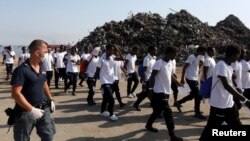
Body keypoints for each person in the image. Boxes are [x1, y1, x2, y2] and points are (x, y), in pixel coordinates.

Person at [199, 44, 250, 141]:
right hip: (219, 105)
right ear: (233, 54)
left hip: (229, 104)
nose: (239, 57)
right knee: (210, 129)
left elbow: (230, 82)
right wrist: (245, 100)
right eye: (238, 54)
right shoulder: (221, 65)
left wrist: (237, 86)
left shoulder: (228, 66)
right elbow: (226, 86)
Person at [11, 39, 56, 141]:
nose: (46, 54)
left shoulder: (41, 68)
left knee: (49, 136)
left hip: (43, 110)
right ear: (36, 53)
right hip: (26, 112)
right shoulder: (21, 70)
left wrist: (50, 99)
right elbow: (15, 93)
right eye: (44, 52)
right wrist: (31, 109)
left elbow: (44, 83)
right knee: (22, 138)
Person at [145, 46, 183, 141]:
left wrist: (177, 82)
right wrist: (150, 90)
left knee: (157, 111)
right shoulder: (159, 63)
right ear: (169, 53)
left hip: (166, 91)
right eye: (175, 54)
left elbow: (169, 74)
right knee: (168, 112)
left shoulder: (170, 63)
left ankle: (148, 125)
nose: (176, 56)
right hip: (159, 92)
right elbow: (152, 76)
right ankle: (172, 135)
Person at [175, 46, 207, 119]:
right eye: (203, 52)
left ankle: (178, 102)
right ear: (199, 51)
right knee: (198, 95)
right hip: (190, 79)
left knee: (193, 94)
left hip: (195, 78)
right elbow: (185, 67)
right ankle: (197, 112)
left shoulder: (199, 57)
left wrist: (199, 67)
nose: (204, 54)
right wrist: (182, 79)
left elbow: (199, 64)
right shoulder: (191, 57)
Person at [94, 44, 118, 121]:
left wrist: (117, 49)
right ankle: (111, 114)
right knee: (111, 99)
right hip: (104, 81)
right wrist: (93, 82)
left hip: (111, 80)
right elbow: (97, 71)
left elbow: (122, 58)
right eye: (110, 50)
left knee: (105, 98)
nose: (112, 51)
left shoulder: (112, 58)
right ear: (106, 50)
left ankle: (102, 111)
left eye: (112, 50)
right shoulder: (101, 59)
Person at [133, 45, 157, 111]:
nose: (156, 51)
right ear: (151, 50)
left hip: (152, 78)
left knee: (147, 93)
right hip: (148, 79)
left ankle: (136, 103)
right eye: (155, 50)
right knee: (147, 93)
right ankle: (137, 104)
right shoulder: (146, 59)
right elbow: (144, 70)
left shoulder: (154, 58)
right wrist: (143, 79)